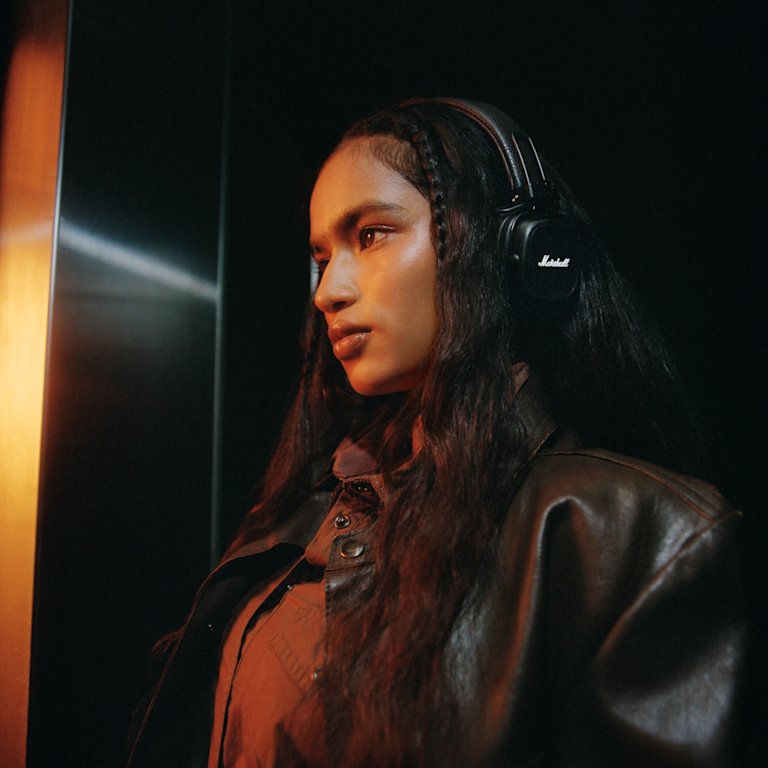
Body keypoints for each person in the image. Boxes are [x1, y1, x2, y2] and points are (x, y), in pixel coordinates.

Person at [127, 99, 747, 768]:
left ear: (510, 249)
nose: (327, 290)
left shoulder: (635, 538)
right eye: (321, 255)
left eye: (370, 235)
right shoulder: (303, 519)